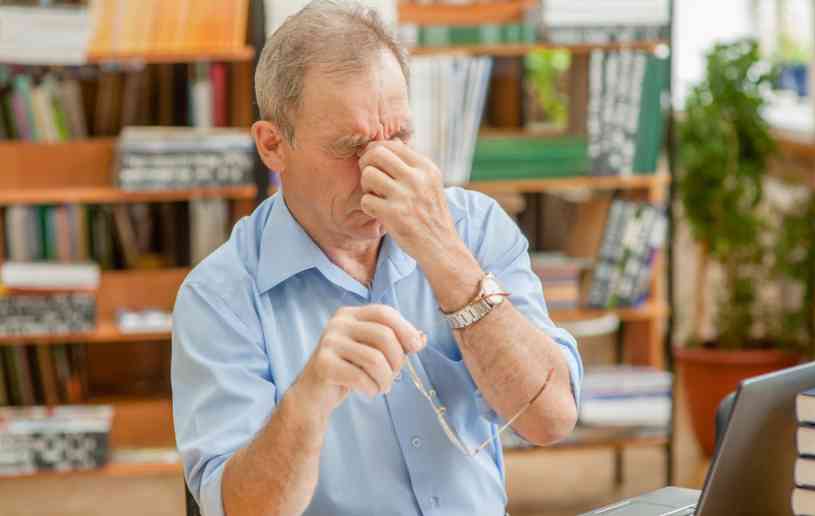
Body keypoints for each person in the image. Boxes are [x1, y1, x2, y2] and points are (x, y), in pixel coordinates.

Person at [171, 2, 583, 515]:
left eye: (401, 137)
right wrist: (308, 401)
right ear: (273, 145)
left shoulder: (474, 228)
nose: (382, 171)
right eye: (351, 148)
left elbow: (551, 419)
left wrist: (447, 258)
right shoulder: (219, 297)